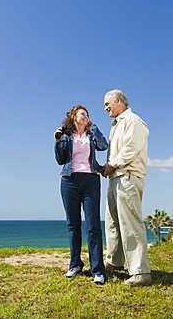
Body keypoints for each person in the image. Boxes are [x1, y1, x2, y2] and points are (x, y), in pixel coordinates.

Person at [102, 89, 152, 287]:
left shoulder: (134, 121)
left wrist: (112, 164)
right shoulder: (116, 125)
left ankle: (141, 272)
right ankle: (114, 262)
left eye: (107, 103)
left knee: (130, 223)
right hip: (116, 178)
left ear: (118, 100)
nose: (105, 107)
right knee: (112, 222)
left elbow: (131, 148)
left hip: (128, 177)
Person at [54, 105, 108, 285]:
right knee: (73, 225)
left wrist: (94, 128)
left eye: (87, 115)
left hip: (91, 180)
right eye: (83, 114)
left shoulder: (91, 134)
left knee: (93, 226)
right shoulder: (66, 135)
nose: (86, 117)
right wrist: (57, 140)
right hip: (69, 180)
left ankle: (98, 270)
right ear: (74, 117)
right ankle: (75, 265)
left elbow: (103, 146)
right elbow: (60, 160)